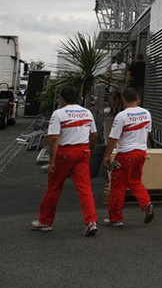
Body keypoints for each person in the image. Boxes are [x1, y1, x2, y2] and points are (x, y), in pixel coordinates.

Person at [31, 86, 99, 236]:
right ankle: (91, 221)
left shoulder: (58, 114)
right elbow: (94, 135)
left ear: (62, 99)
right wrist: (90, 149)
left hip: (65, 152)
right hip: (83, 150)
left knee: (54, 187)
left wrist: (52, 161)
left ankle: (45, 221)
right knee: (84, 188)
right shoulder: (87, 112)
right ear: (77, 98)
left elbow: (54, 138)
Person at [102, 87, 154, 227]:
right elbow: (147, 133)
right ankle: (146, 203)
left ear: (123, 100)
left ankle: (115, 218)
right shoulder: (146, 114)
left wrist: (107, 157)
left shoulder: (122, 116)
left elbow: (113, 138)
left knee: (118, 187)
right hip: (141, 152)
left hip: (125, 154)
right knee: (136, 182)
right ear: (137, 99)